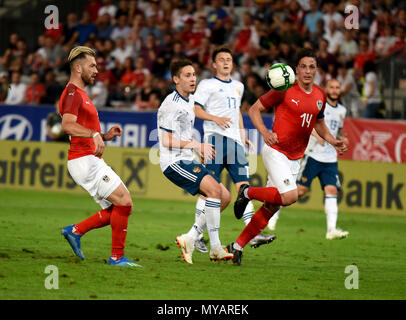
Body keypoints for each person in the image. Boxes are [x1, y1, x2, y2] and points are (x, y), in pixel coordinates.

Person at [226, 48, 348, 266]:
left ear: (316, 70)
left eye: (312, 67)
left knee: (272, 206)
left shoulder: (320, 95)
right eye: (303, 66)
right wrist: (265, 132)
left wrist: (333, 141)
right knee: (290, 196)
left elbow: (319, 124)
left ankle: (236, 247)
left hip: (295, 157)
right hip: (276, 150)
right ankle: (247, 192)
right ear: (296, 69)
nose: (308, 71)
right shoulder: (284, 89)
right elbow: (254, 110)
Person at [59, 46, 141, 267]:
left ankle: (75, 231)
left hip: (88, 159)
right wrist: (94, 134)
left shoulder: (81, 94)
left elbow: (81, 130)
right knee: (124, 201)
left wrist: (104, 135)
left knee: (119, 208)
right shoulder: (72, 93)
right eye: (92, 66)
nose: (97, 70)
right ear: (78, 67)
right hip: (84, 161)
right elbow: (66, 125)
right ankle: (116, 257)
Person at [193, 46, 276, 253]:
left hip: (235, 143)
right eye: (221, 59)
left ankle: (253, 232)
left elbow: (237, 111)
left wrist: (242, 134)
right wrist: (214, 118)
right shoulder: (207, 84)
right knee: (210, 190)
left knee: (244, 188)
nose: (225, 62)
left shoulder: (238, 86)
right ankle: (196, 235)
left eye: (228, 59)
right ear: (214, 64)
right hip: (214, 139)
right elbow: (195, 109)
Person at [157, 58, 233, 264]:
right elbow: (165, 140)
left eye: (194, 75)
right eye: (187, 75)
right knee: (215, 192)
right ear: (176, 79)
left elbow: (183, 134)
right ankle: (215, 247)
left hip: (187, 159)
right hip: (174, 163)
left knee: (224, 196)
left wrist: (196, 149)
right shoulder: (171, 105)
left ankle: (191, 237)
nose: (193, 79)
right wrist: (196, 146)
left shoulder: (189, 101)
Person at [267, 79, 349, 240]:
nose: (334, 90)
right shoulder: (318, 105)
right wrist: (317, 135)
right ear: (326, 89)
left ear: (340, 91)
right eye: (331, 87)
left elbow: (338, 130)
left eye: (337, 87)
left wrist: (342, 139)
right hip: (313, 155)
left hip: (330, 159)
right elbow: (305, 123)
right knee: (298, 191)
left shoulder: (342, 110)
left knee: (331, 190)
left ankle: (331, 230)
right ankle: (272, 215)